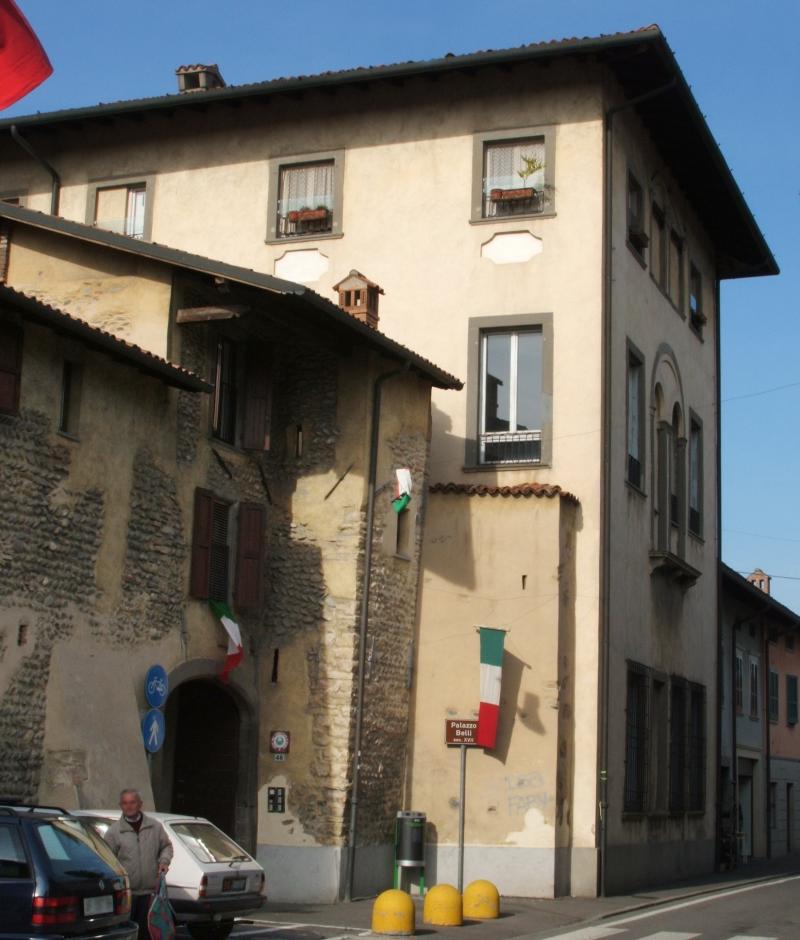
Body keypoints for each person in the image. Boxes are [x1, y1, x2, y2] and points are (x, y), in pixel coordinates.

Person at [103, 788, 173, 940]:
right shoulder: (114, 832)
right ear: (120, 805)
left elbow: (166, 846)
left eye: (132, 802)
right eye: (125, 803)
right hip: (127, 894)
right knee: (128, 935)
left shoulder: (155, 827)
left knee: (147, 934)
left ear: (140, 804)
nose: (129, 806)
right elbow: (106, 859)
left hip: (149, 894)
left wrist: (164, 861)